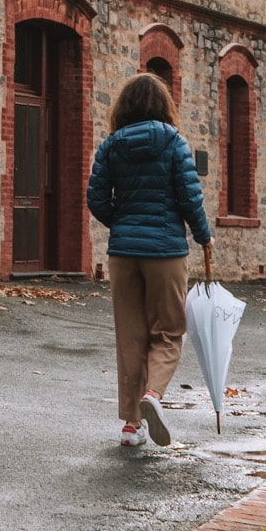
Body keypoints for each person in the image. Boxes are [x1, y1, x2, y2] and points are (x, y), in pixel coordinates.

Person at [86, 71, 212, 447]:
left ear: (125, 107)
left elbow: (95, 198)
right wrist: (204, 236)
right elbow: (190, 198)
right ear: (163, 106)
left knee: (130, 337)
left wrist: (121, 223)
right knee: (169, 331)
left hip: (123, 255)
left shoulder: (111, 146)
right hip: (166, 253)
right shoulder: (174, 143)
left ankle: (130, 426)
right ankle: (153, 396)